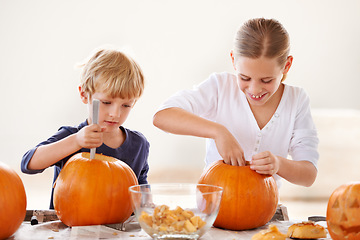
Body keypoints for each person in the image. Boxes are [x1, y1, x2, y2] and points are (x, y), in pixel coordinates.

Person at [153, 18, 319, 188]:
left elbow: (308, 175)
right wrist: (218, 132)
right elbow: (162, 116)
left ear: (286, 65)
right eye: (245, 78)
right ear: (233, 60)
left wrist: (278, 164)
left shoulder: (297, 100)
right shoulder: (220, 87)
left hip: (266, 208)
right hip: (215, 205)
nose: (254, 90)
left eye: (266, 80)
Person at [21, 47, 150, 209]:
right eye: (106, 102)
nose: (115, 114)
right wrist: (75, 142)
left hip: (120, 231)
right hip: (70, 228)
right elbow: (28, 164)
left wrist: (148, 204)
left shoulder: (139, 144)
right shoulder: (72, 136)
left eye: (126, 105)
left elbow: (141, 187)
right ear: (84, 95)